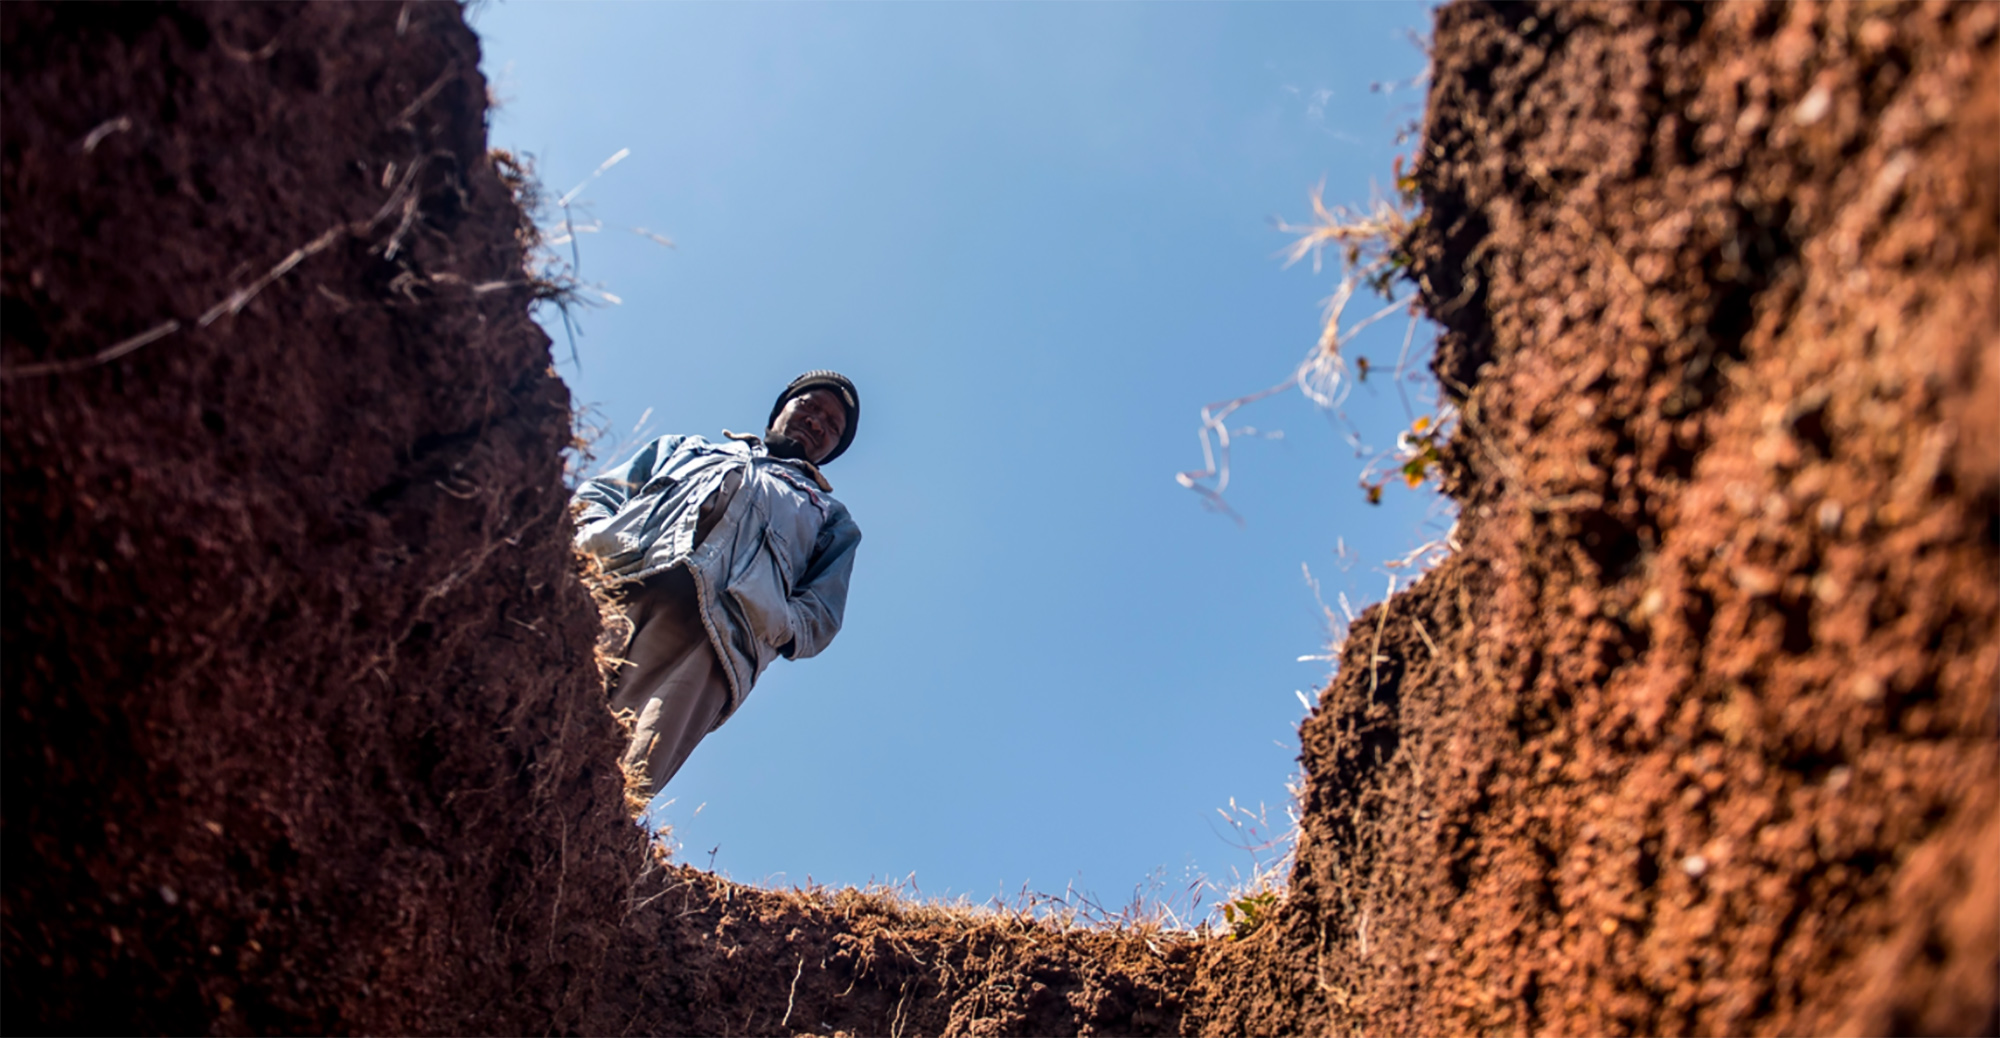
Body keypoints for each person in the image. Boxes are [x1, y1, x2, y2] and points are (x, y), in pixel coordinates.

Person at [572, 371, 862, 795]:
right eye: (809, 406)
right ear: (780, 408)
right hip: (615, 587)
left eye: (833, 425)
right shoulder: (686, 449)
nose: (817, 422)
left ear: (834, 447)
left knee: (616, 779)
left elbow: (820, 617)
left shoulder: (829, 517)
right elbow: (600, 495)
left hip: (711, 646)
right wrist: (593, 539)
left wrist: (768, 619)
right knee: (538, 700)